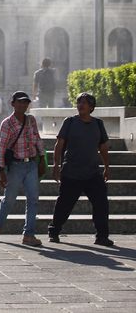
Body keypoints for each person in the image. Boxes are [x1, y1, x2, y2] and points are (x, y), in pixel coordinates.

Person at [47, 93, 113, 246]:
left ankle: (102, 236)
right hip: (71, 172)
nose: (80, 105)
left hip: (93, 173)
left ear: (91, 107)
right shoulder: (69, 122)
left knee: (101, 204)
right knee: (64, 204)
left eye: (84, 102)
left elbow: (103, 147)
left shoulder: (98, 124)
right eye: (78, 102)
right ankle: (54, 230)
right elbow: (59, 145)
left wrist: (107, 167)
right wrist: (56, 165)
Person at [0, 91, 46, 247]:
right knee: (9, 200)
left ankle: (29, 234)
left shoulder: (31, 120)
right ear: (12, 103)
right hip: (15, 166)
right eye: (19, 102)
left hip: (31, 164)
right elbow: (1, 148)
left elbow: (37, 139)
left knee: (33, 200)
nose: (23, 105)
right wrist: (1, 171)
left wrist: (42, 159)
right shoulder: (7, 123)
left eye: (25, 102)